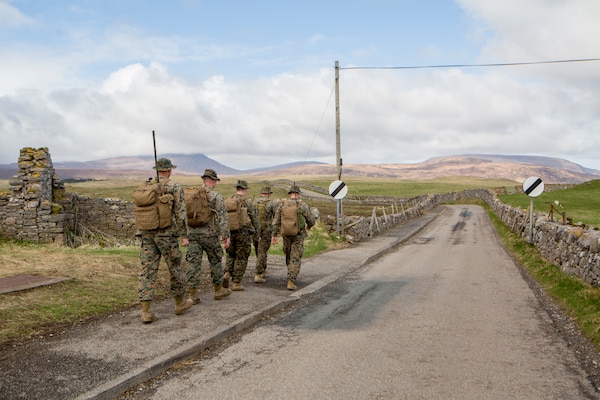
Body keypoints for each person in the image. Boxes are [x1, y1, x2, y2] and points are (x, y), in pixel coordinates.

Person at [138, 158, 193, 323]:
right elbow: (181, 214)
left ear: (157, 170)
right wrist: (184, 235)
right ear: (169, 170)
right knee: (175, 268)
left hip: (147, 233)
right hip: (167, 234)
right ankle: (180, 302)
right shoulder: (174, 186)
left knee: (147, 271)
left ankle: (146, 311)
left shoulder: (146, 186)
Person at [185, 169, 232, 303]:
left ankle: (192, 295)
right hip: (210, 235)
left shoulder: (192, 195)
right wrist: (225, 235)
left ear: (204, 180)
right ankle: (218, 290)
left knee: (193, 264)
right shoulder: (216, 196)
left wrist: (184, 234)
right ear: (212, 181)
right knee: (216, 261)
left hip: (193, 233)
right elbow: (222, 217)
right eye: (215, 180)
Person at [271, 185, 316, 290]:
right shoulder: (302, 205)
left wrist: (274, 235)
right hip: (298, 235)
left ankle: (290, 272)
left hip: (286, 234)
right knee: (295, 257)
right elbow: (310, 219)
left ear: (290, 194)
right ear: (299, 194)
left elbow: (276, 220)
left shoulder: (282, 205)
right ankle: (291, 281)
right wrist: (309, 226)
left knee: (288, 254)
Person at [223, 180, 259, 291]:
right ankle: (236, 282)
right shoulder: (248, 202)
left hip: (230, 232)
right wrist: (257, 234)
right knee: (242, 257)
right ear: (245, 189)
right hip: (243, 233)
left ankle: (227, 273)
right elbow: (255, 219)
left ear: (237, 188)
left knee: (231, 254)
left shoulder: (228, 200)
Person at [253, 186, 279, 283]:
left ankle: (262, 269)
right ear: (268, 194)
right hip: (266, 230)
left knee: (258, 250)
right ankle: (258, 274)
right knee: (262, 251)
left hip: (255, 230)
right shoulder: (271, 203)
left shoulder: (254, 202)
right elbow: (276, 216)